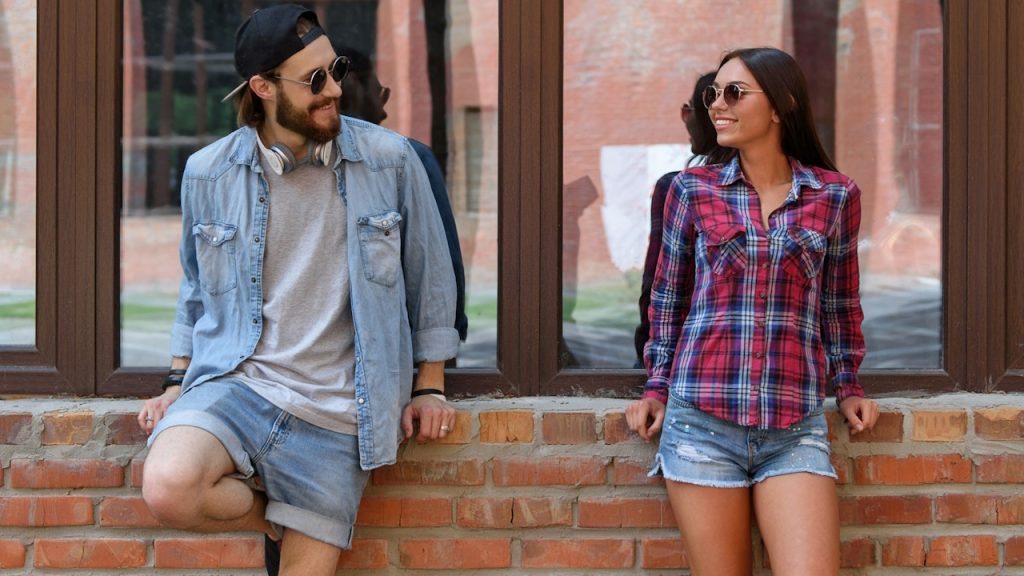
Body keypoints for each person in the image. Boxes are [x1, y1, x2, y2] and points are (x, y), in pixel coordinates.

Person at [136, 5, 459, 576]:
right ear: (263, 87)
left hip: (339, 416)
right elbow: (198, 288)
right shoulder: (209, 172)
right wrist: (174, 380)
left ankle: (295, 511)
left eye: (336, 70)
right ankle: (273, 514)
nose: (335, 89)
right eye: (315, 79)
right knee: (168, 486)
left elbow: (429, 276)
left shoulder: (389, 160)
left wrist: (429, 387)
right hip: (238, 388)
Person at [625, 47, 880, 576]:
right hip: (701, 423)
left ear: (782, 105)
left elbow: (838, 304)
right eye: (713, 93)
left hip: (794, 426)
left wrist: (848, 384)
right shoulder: (690, 191)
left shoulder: (835, 196)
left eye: (734, 93)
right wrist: (656, 386)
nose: (718, 105)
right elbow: (668, 301)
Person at [336, 46, 468, 342]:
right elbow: (445, 265)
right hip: (397, 346)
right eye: (380, 92)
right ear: (354, 85)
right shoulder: (411, 157)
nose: (384, 108)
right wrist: (449, 335)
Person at [634, 71, 718, 363]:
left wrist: (651, 358)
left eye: (689, 109)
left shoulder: (678, 188)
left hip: (688, 361)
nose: (685, 119)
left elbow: (656, 292)